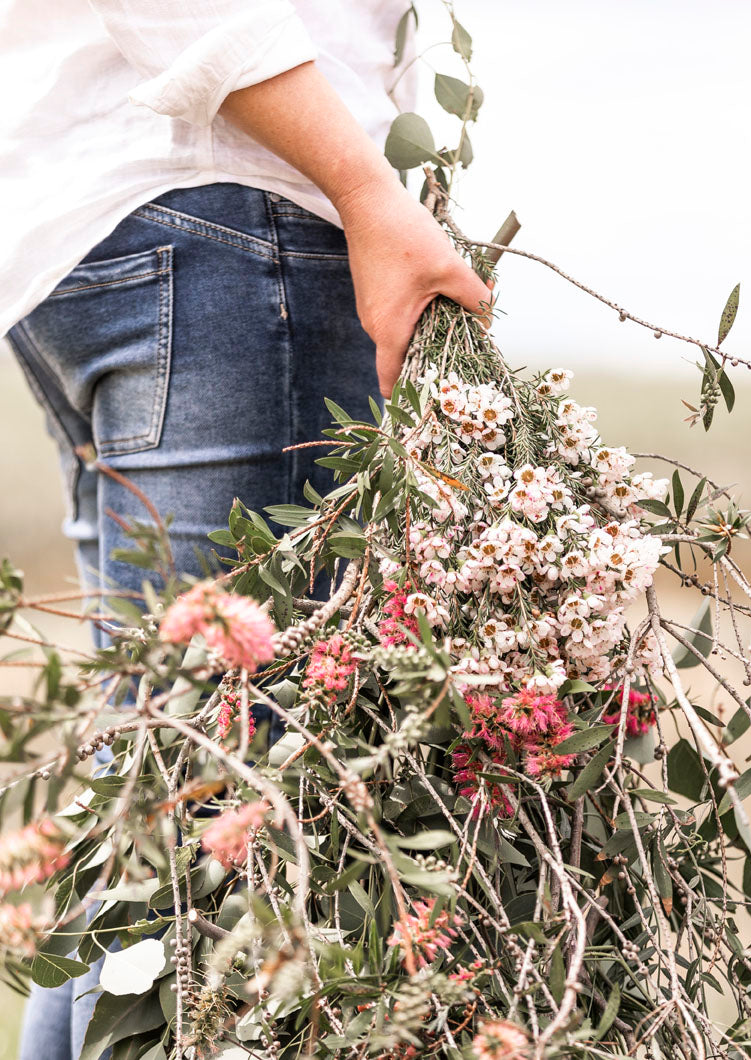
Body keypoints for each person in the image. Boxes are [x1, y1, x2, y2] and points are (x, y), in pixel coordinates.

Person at [1, 3, 493, 1057]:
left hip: (113, 231)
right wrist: (364, 188)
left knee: (153, 802)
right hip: (230, 219)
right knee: (216, 830)